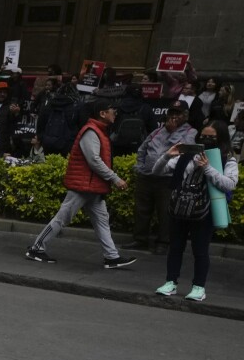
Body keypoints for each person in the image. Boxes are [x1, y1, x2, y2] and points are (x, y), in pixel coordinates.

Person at [25, 100, 135, 268]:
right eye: (112, 110)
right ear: (102, 113)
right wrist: (115, 178)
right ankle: (36, 248)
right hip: (84, 185)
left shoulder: (98, 131)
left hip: (92, 186)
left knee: (101, 221)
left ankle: (112, 256)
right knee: (63, 217)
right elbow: (94, 161)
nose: (115, 113)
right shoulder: (91, 132)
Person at [151, 120, 237, 302]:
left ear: (220, 139)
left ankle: (199, 287)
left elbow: (229, 184)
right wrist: (167, 155)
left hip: (204, 211)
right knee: (175, 248)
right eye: (203, 136)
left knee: (200, 250)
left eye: (211, 137)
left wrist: (208, 168)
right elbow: (157, 171)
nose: (206, 140)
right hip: (180, 207)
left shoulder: (227, 158)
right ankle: (170, 282)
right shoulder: (188, 155)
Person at [130, 102, 196, 253]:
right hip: (146, 176)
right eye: (171, 113)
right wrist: (140, 167)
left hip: (167, 178)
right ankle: (140, 239)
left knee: (165, 211)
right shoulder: (158, 131)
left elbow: (185, 151)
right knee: (141, 209)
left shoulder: (190, 132)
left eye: (178, 113)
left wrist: (173, 132)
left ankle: (163, 242)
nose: (173, 116)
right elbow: (142, 149)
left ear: (185, 115)